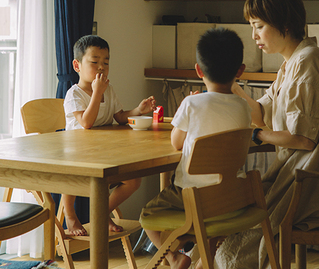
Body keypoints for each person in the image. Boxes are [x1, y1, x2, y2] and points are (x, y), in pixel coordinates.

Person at [214, 0, 319, 269]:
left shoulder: (308, 63)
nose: (254, 36)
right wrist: (226, 85)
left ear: (283, 24)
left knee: (239, 222)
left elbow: (303, 140)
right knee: (231, 211)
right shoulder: (292, 63)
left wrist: (257, 135)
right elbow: (260, 111)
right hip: (302, 176)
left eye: (259, 26)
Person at [140, 27, 252, 269]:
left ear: (198, 70)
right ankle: (202, 259)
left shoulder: (191, 103)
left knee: (147, 217)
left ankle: (174, 257)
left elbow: (176, 142)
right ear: (240, 70)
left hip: (193, 199)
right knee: (207, 221)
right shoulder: (244, 106)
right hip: (233, 198)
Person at [63, 34, 156, 236]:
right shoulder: (74, 94)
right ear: (77, 66)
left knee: (134, 180)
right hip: (77, 155)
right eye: (94, 62)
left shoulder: (109, 90)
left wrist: (138, 110)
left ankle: (102, 212)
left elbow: (121, 117)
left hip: (104, 154)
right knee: (69, 178)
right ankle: (70, 216)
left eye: (106, 62)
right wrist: (97, 93)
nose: (101, 67)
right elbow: (86, 123)